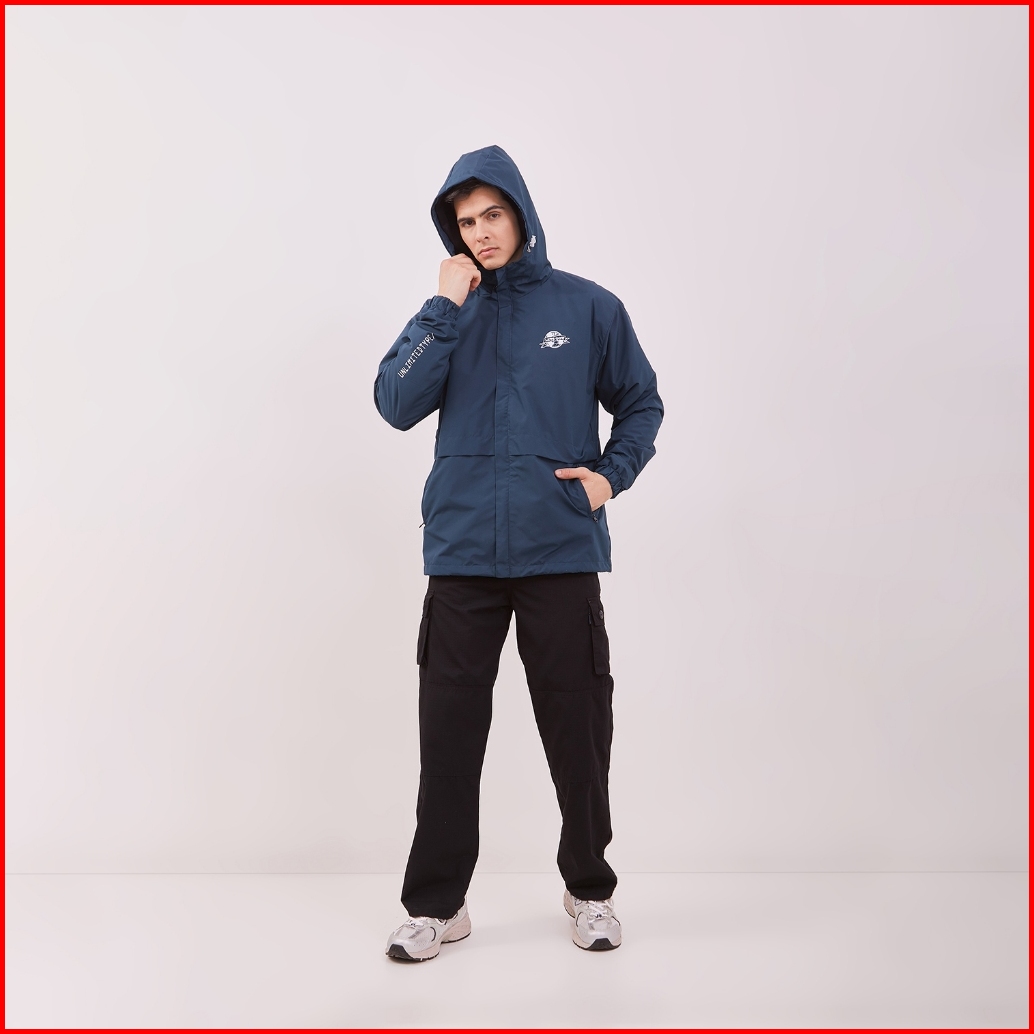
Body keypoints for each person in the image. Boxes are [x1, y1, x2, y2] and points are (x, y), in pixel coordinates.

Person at [374, 145, 663, 961]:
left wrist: (608, 478)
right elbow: (395, 401)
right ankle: (438, 906)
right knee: (449, 738)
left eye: (492, 214)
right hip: (462, 554)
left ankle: (589, 890)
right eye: (466, 222)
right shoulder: (448, 314)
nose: (481, 232)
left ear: (522, 214)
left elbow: (641, 403)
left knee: (579, 733)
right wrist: (443, 306)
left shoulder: (589, 307)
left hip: (558, 549)